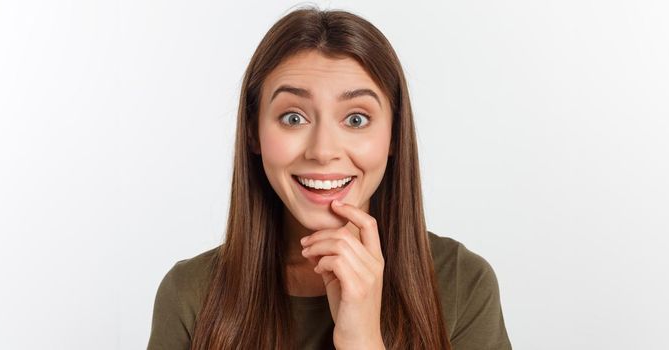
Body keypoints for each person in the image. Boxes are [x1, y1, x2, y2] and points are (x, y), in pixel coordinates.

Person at [148, 6, 512, 350]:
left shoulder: (462, 283)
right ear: (253, 133)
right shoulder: (191, 294)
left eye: (356, 119)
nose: (322, 151)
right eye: (293, 117)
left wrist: (362, 340)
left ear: (394, 136)